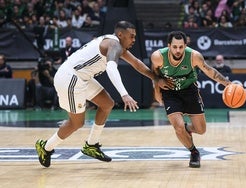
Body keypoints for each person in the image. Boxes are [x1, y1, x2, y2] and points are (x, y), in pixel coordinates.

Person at [35, 21, 170, 168]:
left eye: (135, 37)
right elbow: (112, 69)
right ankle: (46, 147)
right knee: (77, 123)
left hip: (82, 77)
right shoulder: (114, 45)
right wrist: (124, 94)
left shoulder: (117, 45)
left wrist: (156, 79)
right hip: (70, 78)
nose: (133, 40)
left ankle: (91, 145)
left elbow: (137, 63)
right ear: (120, 35)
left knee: (107, 104)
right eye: (131, 36)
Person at [151, 31, 231, 168]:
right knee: (178, 127)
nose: (178, 50)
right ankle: (194, 152)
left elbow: (209, 71)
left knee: (201, 130)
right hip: (170, 92)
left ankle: (188, 128)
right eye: (175, 47)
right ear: (169, 46)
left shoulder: (194, 56)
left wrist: (228, 84)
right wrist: (157, 89)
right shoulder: (158, 56)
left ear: (185, 45)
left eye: (181, 47)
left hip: (190, 91)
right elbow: (154, 73)